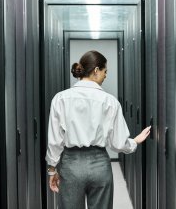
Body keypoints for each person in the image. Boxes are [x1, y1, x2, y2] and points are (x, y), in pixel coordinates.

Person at [45, 50, 151, 209]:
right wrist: (134, 141)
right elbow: (118, 143)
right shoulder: (110, 101)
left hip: (70, 166)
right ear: (96, 70)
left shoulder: (60, 99)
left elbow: (55, 141)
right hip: (100, 165)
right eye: (105, 71)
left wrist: (52, 170)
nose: (106, 75)